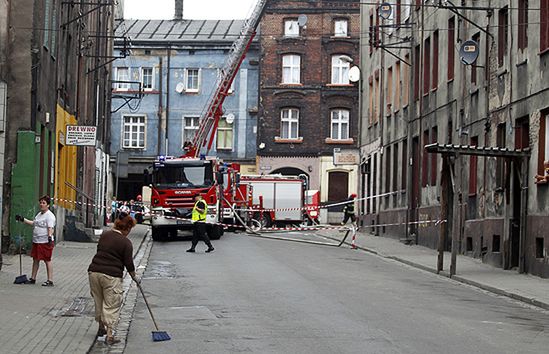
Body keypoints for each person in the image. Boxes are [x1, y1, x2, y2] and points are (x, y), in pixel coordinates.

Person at [88, 212, 137, 345]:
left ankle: (100, 328)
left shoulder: (104, 235)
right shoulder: (126, 243)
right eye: (129, 229)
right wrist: (134, 277)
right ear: (126, 228)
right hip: (111, 276)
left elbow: (99, 251)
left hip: (94, 272)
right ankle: (109, 335)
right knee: (112, 304)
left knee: (99, 300)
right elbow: (128, 263)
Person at [15, 195, 56, 286]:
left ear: (48, 205)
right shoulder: (39, 214)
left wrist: (49, 237)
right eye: (40, 202)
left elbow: (50, 228)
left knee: (47, 260)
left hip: (45, 241)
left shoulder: (49, 216)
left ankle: (50, 280)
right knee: (35, 259)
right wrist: (23, 219)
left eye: (44, 203)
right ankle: (33, 278)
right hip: (37, 241)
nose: (41, 204)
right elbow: (34, 223)